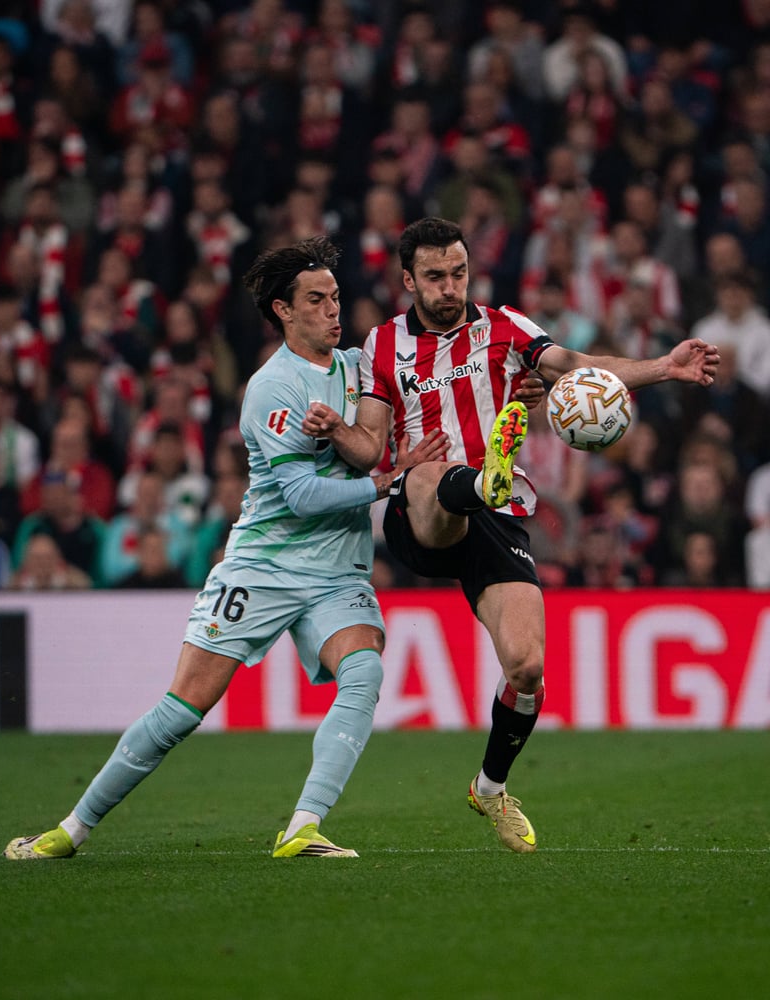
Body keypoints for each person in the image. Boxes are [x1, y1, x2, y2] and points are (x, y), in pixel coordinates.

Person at [4, 236, 449, 862]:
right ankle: (70, 830)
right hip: (263, 567)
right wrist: (386, 482)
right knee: (183, 710)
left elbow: (431, 383)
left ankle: (303, 826)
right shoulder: (273, 388)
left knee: (365, 671)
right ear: (282, 311)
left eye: (335, 297)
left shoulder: (357, 368)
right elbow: (300, 496)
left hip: (336, 573)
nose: (332, 309)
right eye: (315, 300)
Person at [303, 217, 720, 854]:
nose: (450, 287)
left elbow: (578, 367)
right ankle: (480, 479)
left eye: (459, 273)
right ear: (408, 279)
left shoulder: (505, 327)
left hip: (495, 516)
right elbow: (368, 444)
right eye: (436, 277)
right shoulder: (382, 345)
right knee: (429, 472)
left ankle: (491, 787)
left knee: (527, 667)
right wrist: (339, 432)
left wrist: (664, 366)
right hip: (421, 507)